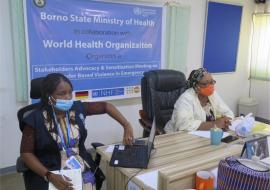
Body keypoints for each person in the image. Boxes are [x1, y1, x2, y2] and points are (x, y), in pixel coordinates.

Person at [20, 73, 134, 190]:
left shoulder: (77, 108)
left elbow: (106, 106)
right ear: (49, 96)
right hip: (50, 168)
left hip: (79, 163)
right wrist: (49, 175)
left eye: (70, 92)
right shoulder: (35, 119)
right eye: (62, 94)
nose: (68, 97)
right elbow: (26, 153)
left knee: (87, 183)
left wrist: (126, 125)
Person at [164, 68, 234, 133]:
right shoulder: (186, 98)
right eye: (205, 84)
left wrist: (226, 121)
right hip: (175, 136)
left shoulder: (212, 95)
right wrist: (214, 124)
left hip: (203, 136)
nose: (210, 86)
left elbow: (228, 113)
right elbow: (183, 125)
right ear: (196, 86)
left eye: (212, 82)